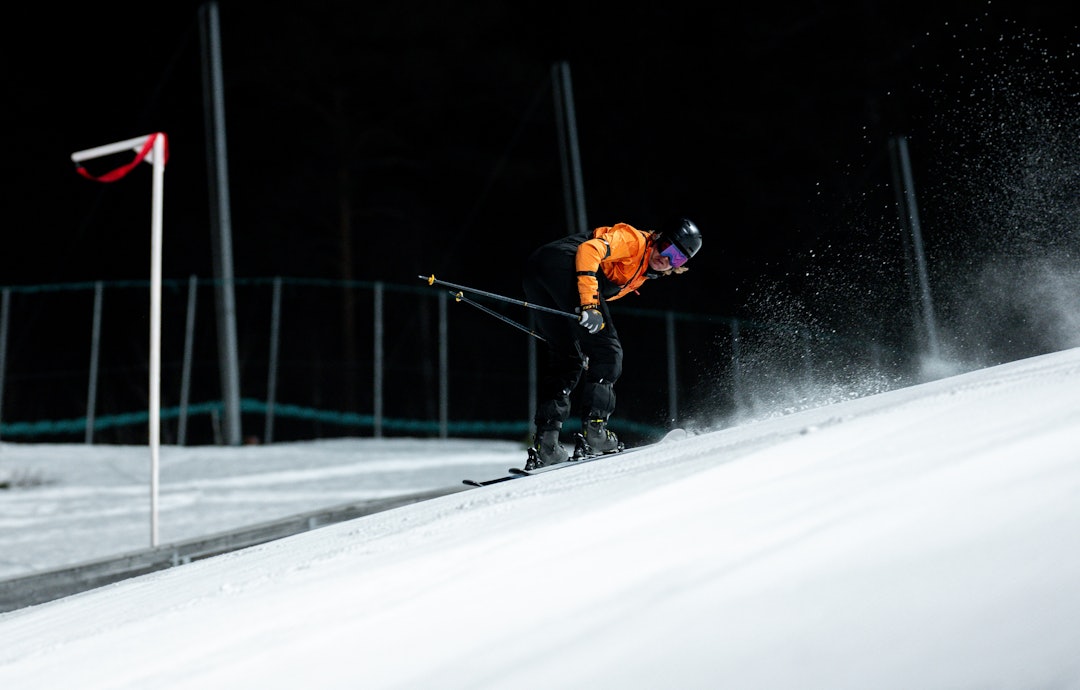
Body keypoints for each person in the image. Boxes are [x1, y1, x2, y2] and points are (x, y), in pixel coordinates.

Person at [521, 218, 702, 469]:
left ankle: (547, 444)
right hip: (561, 264)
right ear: (658, 237)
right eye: (668, 248)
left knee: (567, 357)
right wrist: (589, 304)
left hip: (537, 270)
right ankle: (595, 432)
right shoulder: (633, 240)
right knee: (608, 351)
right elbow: (589, 250)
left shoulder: (643, 271)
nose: (667, 259)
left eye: (678, 259)